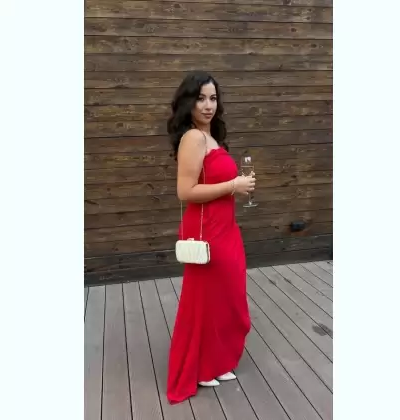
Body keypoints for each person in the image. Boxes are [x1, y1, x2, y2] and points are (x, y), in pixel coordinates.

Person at [166, 70, 255, 405]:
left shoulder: (211, 136)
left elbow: (214, 182)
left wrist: (236, 188)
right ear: (189, 102)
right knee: (206, 300)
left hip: (225, 227)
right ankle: (201, 366)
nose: (208, 105)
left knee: (226, 298)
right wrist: (233, 185)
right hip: (206, 232)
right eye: (201, 98)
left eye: (213, 98)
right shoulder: (193, 138)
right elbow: (185, 191)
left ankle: (216, 361)